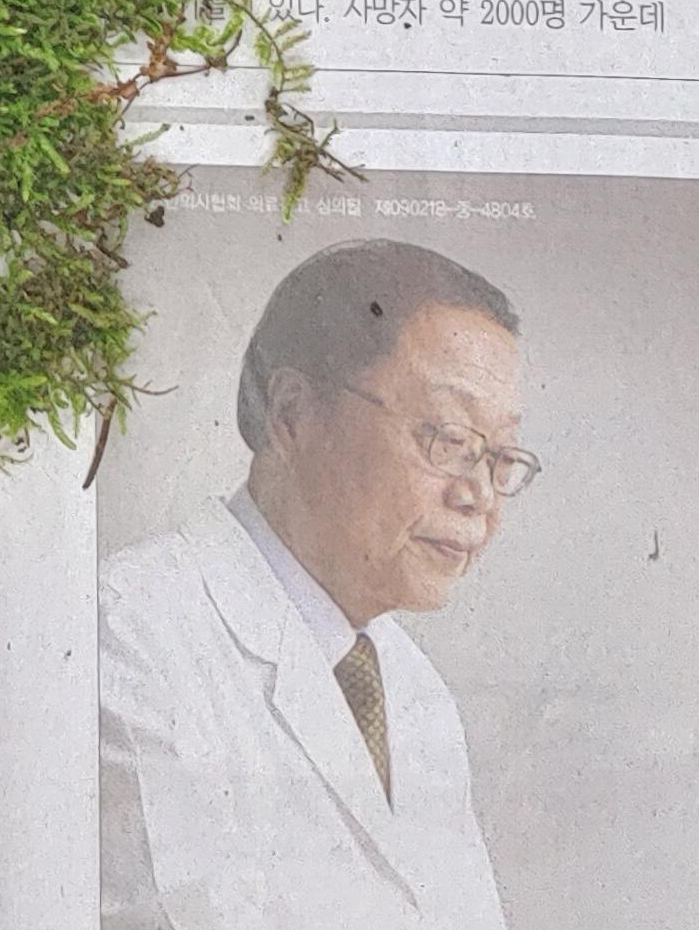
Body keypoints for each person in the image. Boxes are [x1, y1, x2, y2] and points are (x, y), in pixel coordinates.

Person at [99, 239, 535, 929]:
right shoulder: (130, 636)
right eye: (448, 439)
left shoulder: (415, 690)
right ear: (293, 415)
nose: (478, 494)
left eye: (501, 456)